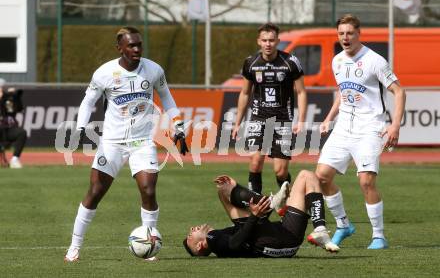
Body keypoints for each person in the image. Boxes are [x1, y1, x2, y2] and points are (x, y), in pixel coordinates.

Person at [64, 27, 188, 262]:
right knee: (95, 192)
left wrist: (178, 125)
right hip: (112, 142)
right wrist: (80, 128)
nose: (136, 49)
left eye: (139, 45)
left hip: (142, 142)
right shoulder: (104, 72)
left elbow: (167, 97)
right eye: (131, 45)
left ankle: (149, 244)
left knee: (149, 190)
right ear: (119, 47)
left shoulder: (153, 70)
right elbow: (87, 102)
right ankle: (74, 246)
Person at [315, 14, 406, 250]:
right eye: (341, 33)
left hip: (370, 128)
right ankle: (344, 225)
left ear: (359, 34)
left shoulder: (375, 61)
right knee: (322, 176)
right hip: (344, 127)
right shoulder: (336, 61)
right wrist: (328, 118)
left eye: (350, 33)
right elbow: (342, 93)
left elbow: (399, 91)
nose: (345, 38)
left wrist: (394, 125)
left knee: (366, 181)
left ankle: (378, 236)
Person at [183, 171, 339, 257]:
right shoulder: (213, 239)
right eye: (190, 235)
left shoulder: (218, 238)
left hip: (286, 237)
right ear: (199, 246)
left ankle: (320, 230)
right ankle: (271, 203)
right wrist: (254, 216)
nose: (191, 229)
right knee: (224, 191)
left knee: (307, 176)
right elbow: (234, 244)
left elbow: (244, 232)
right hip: (271, 244)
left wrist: (235, 190)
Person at [231, 23, 307, 197]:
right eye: (264, 40)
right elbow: (244, 93)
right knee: (256, 162)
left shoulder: (290, 62)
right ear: (259, 41)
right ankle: (255, 204)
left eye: (272, 40)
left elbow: (301, 92)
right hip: (259, 118)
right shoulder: (251, 63)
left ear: (278, 41)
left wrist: (301, 120)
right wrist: (237, 123)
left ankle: (289, 199)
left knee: (280, 172)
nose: (268, 44)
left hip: (283, 120)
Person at [0, 78, 27, 169]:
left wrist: (15, 98)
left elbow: (16, 110)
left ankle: (14, 160)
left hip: (7, 129)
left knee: (21, 132)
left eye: (1, 88)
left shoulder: (7, 100)